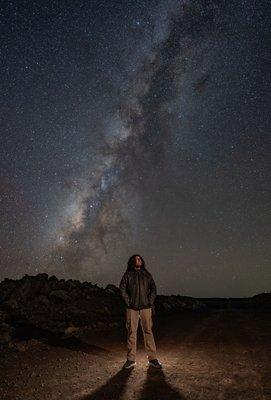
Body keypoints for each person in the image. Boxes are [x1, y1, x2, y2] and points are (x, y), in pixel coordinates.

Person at [119, 254, 162, 369]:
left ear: (142, 261)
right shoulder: (127, 275)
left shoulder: (147, 275)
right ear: (132, 262)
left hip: (146, 307)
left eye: (139, 259)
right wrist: (128, 302)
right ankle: (130, 359)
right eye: (135, 259)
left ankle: (152, 359)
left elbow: (153, 288)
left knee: (148, 331)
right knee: (131, 332)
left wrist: (150, 301)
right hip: (131, 308)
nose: (138, 260)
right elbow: (122, 289)